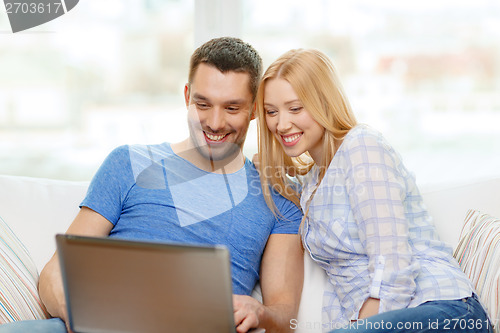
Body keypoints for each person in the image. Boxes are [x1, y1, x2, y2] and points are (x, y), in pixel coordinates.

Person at [0, 37, 304, 333]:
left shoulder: (279, 197)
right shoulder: (127, 163)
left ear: (253, 110)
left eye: (232, 108)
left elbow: (285, 317)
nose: (214, 122)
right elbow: (54, 273)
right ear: (187, 97)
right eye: (202, 104)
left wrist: (259, 312)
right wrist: (80, 317)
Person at [255, 48, 493, 333]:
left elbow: (393, 267)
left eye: (295, 108)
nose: (281, 124)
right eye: (271, 112)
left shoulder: (362, 147)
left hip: (441, 310)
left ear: (324, 103)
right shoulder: (313, 184)